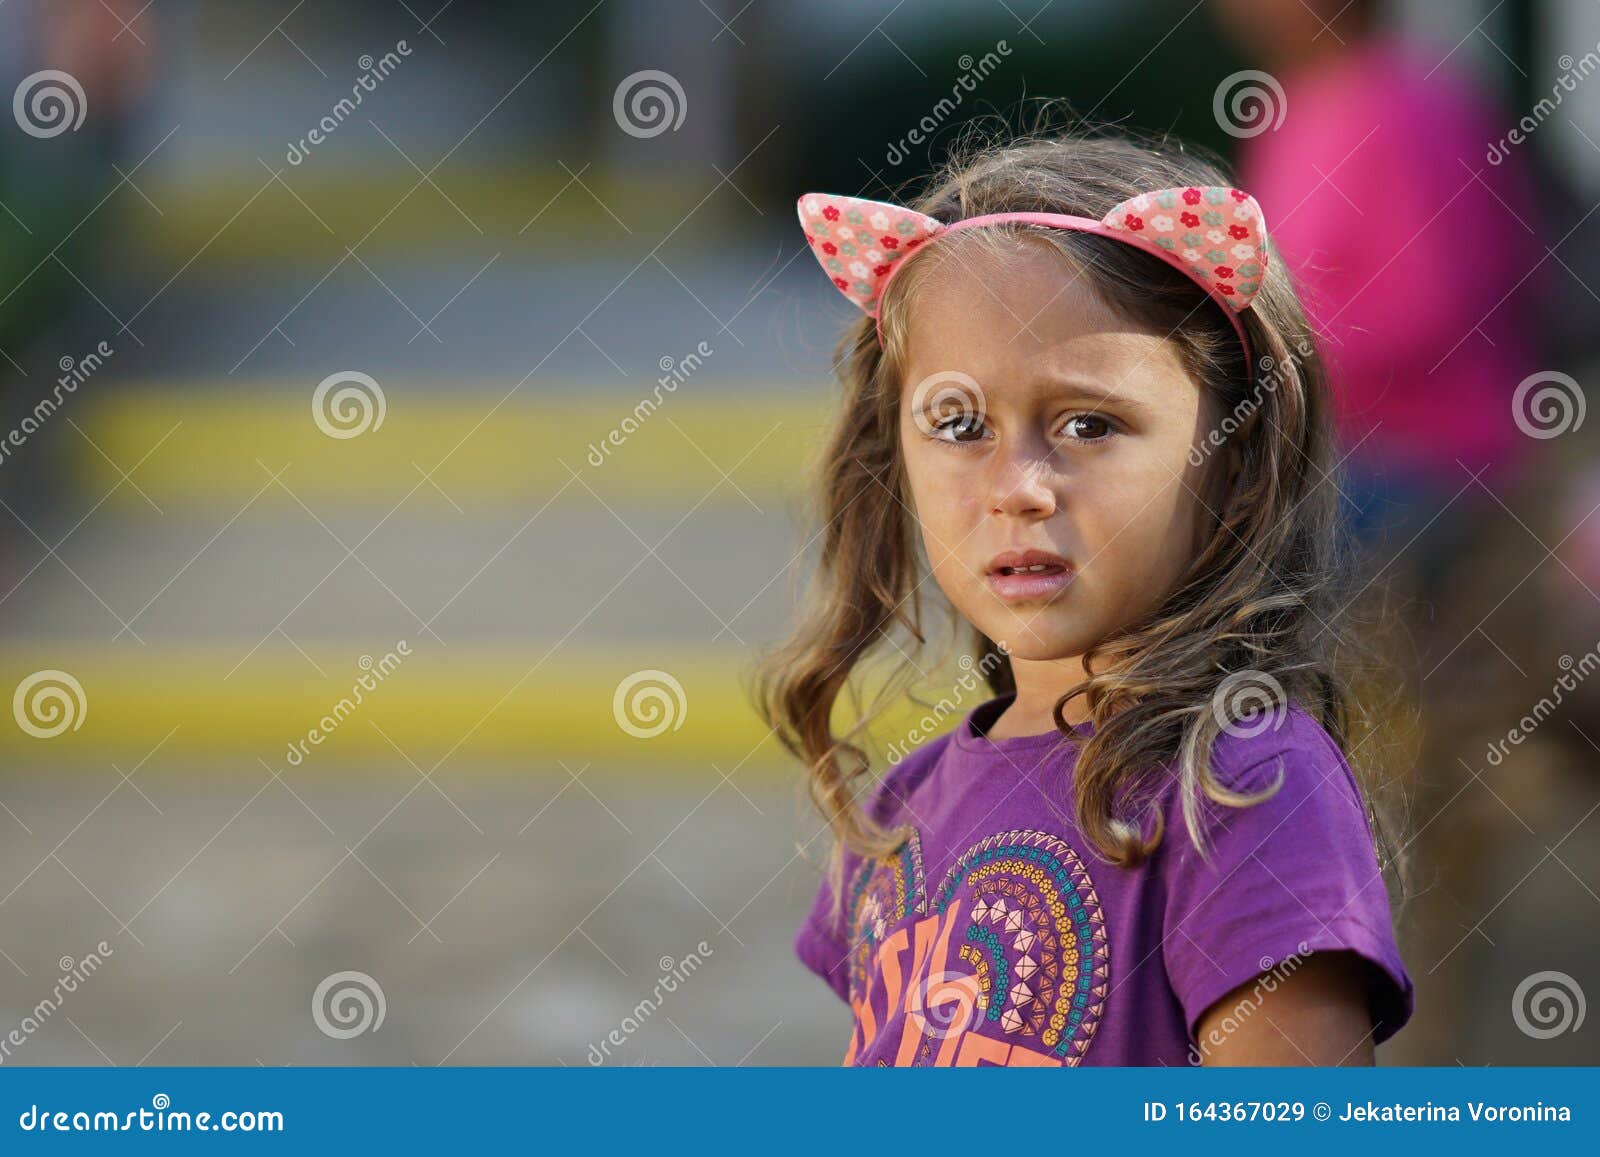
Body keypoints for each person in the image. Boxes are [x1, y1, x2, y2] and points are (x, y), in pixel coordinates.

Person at [754, 130, 1413, 1067]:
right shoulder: (897, 807)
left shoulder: (1241, 786)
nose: (1019, 484)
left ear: (1232, 464)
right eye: (959, 423)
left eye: (1088, 424)